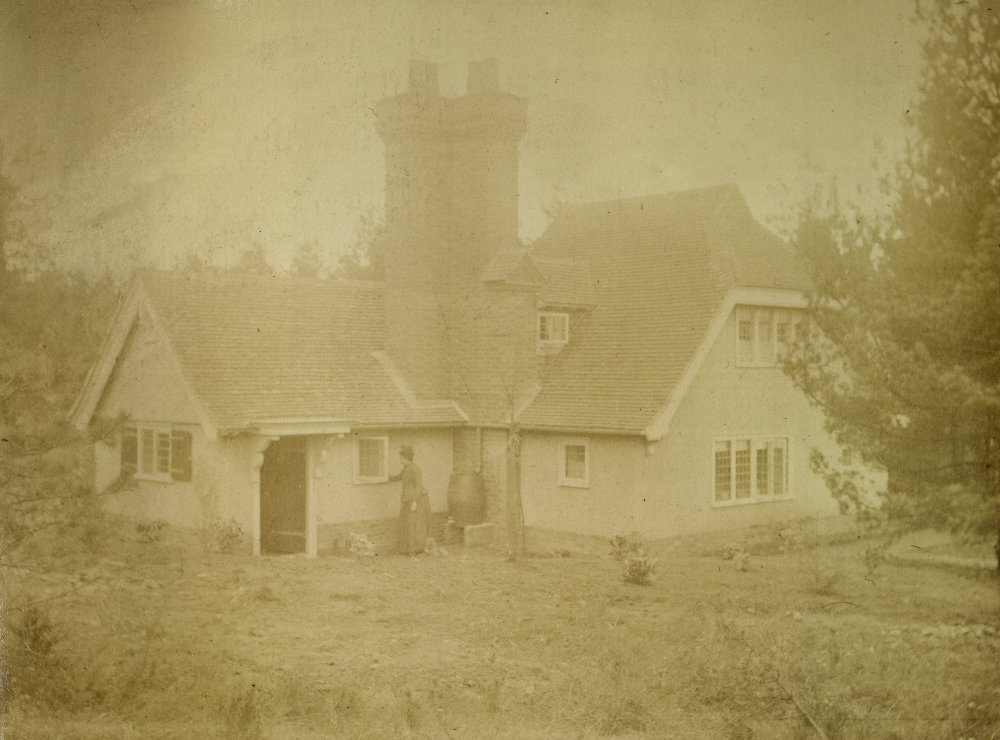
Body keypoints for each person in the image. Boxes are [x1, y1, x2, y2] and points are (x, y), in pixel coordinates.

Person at [389, 444, 430, 555]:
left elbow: (418, 486)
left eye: (401, 456)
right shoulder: (406, 469)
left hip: (416, 501)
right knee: (406, 524)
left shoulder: (415, 469)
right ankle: (406, 549)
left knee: (414, 525)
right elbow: (398, 477)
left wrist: (415, 502)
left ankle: (415, 550)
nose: (400, 459)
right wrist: (384, 475)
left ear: (406, 457)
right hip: (407, 500)